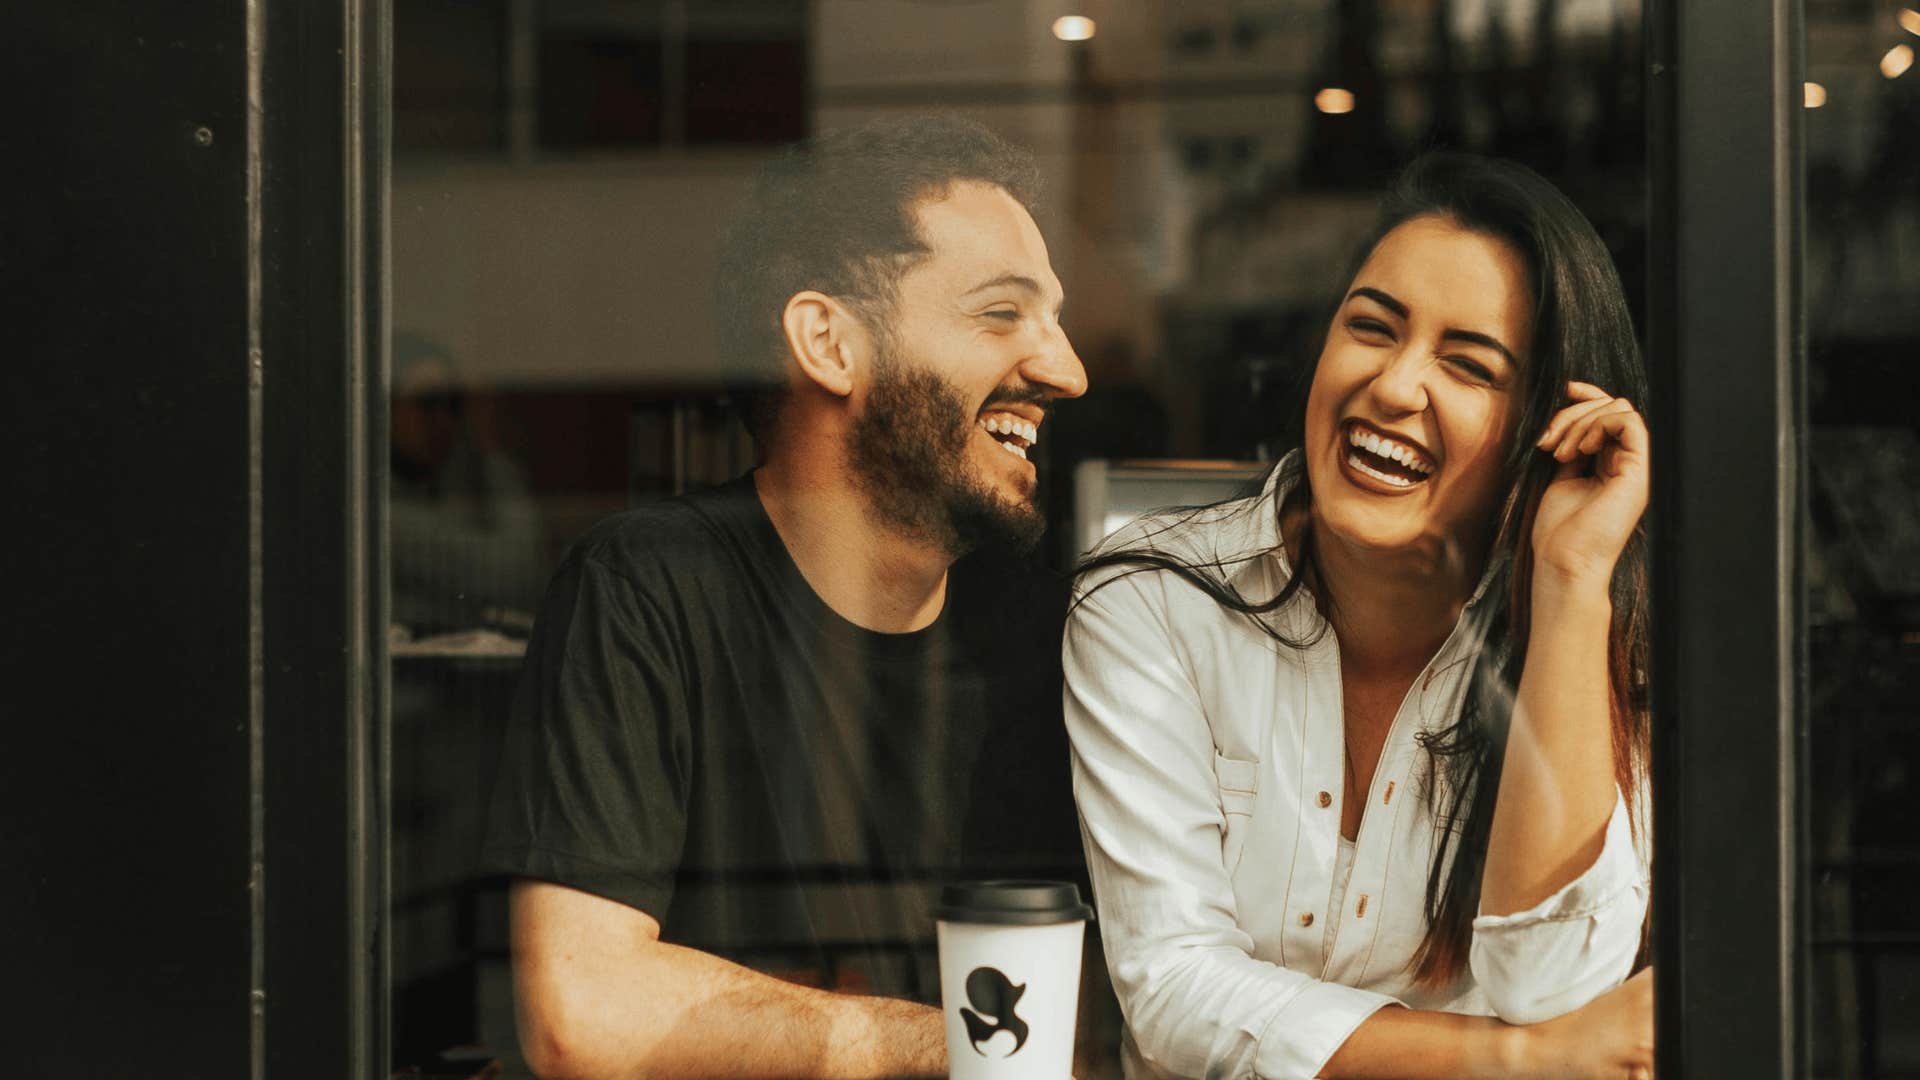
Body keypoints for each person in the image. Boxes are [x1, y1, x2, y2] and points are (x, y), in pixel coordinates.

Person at [481, 115, 1089, 1078]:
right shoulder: (648, 586)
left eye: (1055, 319)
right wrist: (978, 1050)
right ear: (830, 342)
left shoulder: (1045, 634)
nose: (1068, 370)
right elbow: (583, 1009)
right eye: (1002, 313)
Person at [1063, 153, 1655, 1079]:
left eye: (1468, 365)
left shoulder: (1587, 639)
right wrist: (1523, 1062)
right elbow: (1174, 990)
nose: (1393, 385)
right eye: (1371, 328)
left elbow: (1553, 986)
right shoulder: (1152, 599)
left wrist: (1573, 581)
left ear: (1545, 427)